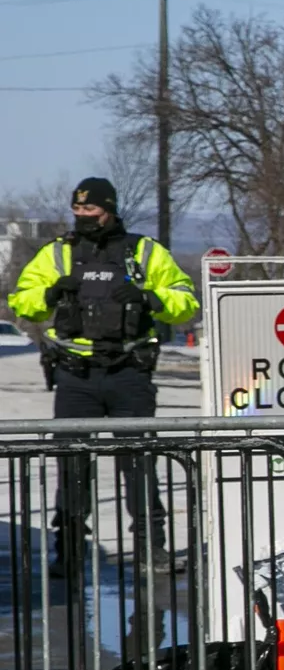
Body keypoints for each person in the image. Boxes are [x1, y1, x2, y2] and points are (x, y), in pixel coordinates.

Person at [8, 177, 199, 573]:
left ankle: (151, 549)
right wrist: (50, 293)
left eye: (90, 210)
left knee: (139, 463)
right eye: (78, 210)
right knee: (72, 466)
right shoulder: (57, 253)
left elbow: (185, 302)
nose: (83, 217)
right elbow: (23, 302)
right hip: (75, 375)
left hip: (129, 372)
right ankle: (69, 552)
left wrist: (150, 297)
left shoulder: (143, 252)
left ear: (109, 209)